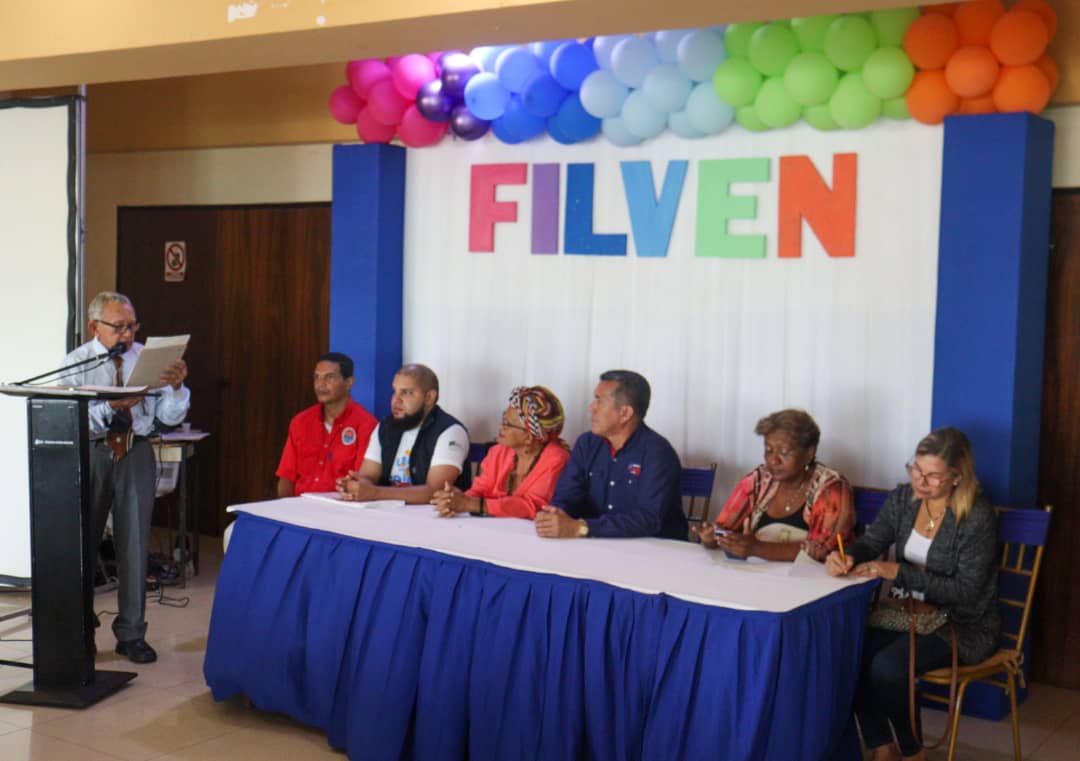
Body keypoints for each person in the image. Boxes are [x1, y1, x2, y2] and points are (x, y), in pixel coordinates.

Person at [825, 428, 999, 761]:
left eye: (933, 476)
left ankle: (912, 750)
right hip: (905, 613)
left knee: (888, 667)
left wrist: (897, 572)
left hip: (961, 623)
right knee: (845, 652)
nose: (921, 481)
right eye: (916, 469)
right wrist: (850, 556)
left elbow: (966, 591)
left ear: (957, 477)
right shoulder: (904, 499)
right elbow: (873, 541)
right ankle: (881, 744)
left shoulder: (976, 516)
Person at [57, 291, 190, 664]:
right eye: (119, 327)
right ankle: (80, 633)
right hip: (93, 452)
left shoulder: (146, 358)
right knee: (84, 544)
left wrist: (177, 388)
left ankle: (131, 634)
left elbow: (170, 415)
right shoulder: (76, 363)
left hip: (135, 450)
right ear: (94, 326)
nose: (128, 335)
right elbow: (69, 417)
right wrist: (111, 406)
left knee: (134, 544)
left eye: (132, 326)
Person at [535, 370, 686, 540]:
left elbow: (648, 518)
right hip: (595, 543)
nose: (591, 408)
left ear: (625, 413)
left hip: (652, 547)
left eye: (600, 401)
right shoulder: (587, 443)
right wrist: (557, 514)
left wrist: (582, 528)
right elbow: (567, 495)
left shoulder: (658, 452)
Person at [694, 409, 854, 562]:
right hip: (756, 574)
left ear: (809, 454)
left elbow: (824, 549)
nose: (773, 460)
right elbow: (724, 529)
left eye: (784, 452)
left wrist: (757, 548)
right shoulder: (757, 480)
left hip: (809, 578)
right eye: (769, 450)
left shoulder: (831, 488)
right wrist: (712, 538)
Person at [337, 363, 469, 504]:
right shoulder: (385, 427)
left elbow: (436, 491)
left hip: (433, 515)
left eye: (406, 393)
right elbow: (368, 476)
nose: (396, 400)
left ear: (429, 397)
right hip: (388, 511)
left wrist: (374, 493)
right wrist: (356, 486)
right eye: (394, 392)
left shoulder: (451, 431)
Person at [433, 386, 570, 519]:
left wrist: (472, 504)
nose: (501, 427)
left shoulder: (556, 459)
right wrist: (453, 500)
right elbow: (479, 491)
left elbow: (532, 506)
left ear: (529, 437)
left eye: (508, 424)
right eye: (504, 419)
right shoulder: (498, 452)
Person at [275, 352, 377, 497]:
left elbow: (361, 483)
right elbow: (286, 478)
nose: (320, 384)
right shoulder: (301, 422)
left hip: (340, 507)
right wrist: (284, 507)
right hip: (299, 505)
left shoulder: (366, 425)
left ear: (349, 382)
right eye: (316, 377)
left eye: (330, 377)